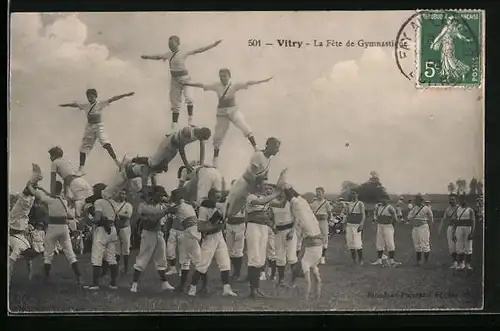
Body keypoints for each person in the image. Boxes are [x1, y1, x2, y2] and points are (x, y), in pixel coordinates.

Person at [182, 69, 273, 166]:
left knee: (244, 127)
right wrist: (187, 84)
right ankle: (215, 160)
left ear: (229, 76)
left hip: (233, 111)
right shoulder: (216, 85)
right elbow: (202, 85)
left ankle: (256, 148)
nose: (222, 78)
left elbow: (249, 83)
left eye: (224, 76)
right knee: (218, 136)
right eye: (220, 76)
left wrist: (263, 80)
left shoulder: (234, 85)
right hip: (222, 113)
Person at [101, 126, 211, 200]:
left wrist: (201, 164)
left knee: (157, 166)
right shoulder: (188, 131)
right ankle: (131, 159)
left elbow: (202, 147)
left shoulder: (200, 136)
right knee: (153, 162)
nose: (201, 139)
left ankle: (133, 161)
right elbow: (181, 149)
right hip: (169, 145)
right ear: (200, 132)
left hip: (174, 149)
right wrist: (186, 164)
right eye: (201, 137)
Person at [141, 36, 223, 130]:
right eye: (169, 44)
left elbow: (199, 50)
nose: (170, 46)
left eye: (172, 43)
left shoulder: (183, 52)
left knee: (189, 98)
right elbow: (157, 57)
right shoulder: (168, 54)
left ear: (177, 43)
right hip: (175, 80)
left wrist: (213, 45)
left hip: (185, 80)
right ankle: (174, 126)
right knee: (174, 103)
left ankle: (190, 121)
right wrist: (146, 57)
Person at [58, 89, 134, 171]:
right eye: (88, 97)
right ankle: (80, 169)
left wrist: (125, 95)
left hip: (99, 127)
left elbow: (113, 98)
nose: (90, 98)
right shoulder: (86, 106)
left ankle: (117, 162)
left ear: (95, 96)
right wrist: (63, 105)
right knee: (83, 148)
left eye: (91, 96)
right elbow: (74, 105)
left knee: (105, 143)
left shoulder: (100, 104)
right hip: (90, 128)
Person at [28, 180, 82, 285]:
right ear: (61, 189)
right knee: (70, 254)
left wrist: (31, 185)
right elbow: (53, 195)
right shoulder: (64, 200)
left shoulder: (50, 200)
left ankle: (46, 278)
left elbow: (36, 193)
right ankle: (79, 276)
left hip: (53, 227)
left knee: (48, 254)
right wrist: (43, 189)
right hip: (64, 228)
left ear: (53, 189)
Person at [187, 188, 237, 297]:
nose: (218, 200)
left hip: (219, 237)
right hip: (210, 238)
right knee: (202, 265)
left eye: (219, 197)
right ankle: (192, 288)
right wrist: (215, 226)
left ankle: (226, 289)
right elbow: (200, 228)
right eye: (216, 197)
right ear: (210, 197)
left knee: (225, 263)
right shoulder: (204, 208)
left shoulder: (218, 206)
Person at [130, 186, 174, 293]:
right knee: (142, 258)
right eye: (158, 195)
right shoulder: (143, 206)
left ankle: (164, 284)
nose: (160, 197)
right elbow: (152, 220)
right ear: (153, 195)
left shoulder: (162, 206)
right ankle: (134, 285)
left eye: (161, 196)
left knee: (161, 259)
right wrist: (166, 211)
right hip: (148, 233)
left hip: (159, 234)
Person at [245, 181, 285, 298]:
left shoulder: (265, 197)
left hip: (263, 227)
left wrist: (284, 191)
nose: (262, 186)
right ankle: (252, 289)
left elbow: (281, 204)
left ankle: (256, 289)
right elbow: (261, 202)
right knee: (254, 257)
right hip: (253, 227)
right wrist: (275, 193)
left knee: (261, 259)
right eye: (260, 184)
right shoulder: (250, 196)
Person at [282, 184, 323, 301]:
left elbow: (311, 281)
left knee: (303, 206)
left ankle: (287, 188)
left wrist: (308, 298)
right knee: (302, 207)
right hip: (313, 234)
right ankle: (287, 188)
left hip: (314, 234)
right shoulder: (309, 263)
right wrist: (314, 297)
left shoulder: (308, 263)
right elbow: (313, 281)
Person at [226, 137, 281, 218]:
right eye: (276, 147)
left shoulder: (269, 160)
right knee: (231, 210)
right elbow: (252, 176)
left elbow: (264, 179)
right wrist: (256, 193)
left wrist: (264, 191)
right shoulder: (258, 155)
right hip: (243, 185)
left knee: (243, 211)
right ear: (269, 146)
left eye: (278, 148)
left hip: (251, 186)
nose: (277, 150)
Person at [9, 167, 42, 284]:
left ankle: (33, 181)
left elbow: (12, 263)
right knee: (26, 202)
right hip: (19, 223)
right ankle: (33, 181)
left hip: (16, 223)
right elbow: (26, 261)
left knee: (24, 202)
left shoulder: (21, 247)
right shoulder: (24, 246)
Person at [169, 189, 203, 293]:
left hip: (190, 233)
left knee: (198, 262)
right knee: (186, 262)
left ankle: (203, 286)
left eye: (173, 197)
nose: (172, 199)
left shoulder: (177, 207)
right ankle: (182, 286)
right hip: (189, 233)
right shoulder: (188, 206)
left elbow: (166, 210)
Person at [48, 146, 92, 218]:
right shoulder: (67, 161)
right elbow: (66, 179)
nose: (50, 158)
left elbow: (53, 180)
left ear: (54, 156)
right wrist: (66, 195)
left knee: (79, 213)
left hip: (75, 184)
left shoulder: (54, 163)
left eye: (50, 156)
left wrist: (52, 195)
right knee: (85, 208)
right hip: (82, 181)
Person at [273, 199, 299, 288]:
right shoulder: (274, 203)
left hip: (289, 230)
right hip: (278, 231)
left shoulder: (290, 203)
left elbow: (297, 218)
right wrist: (273, 225)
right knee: (279, 257)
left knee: (291, 256)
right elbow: (271, 216)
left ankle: (294, 280)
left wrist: (292, 231)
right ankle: (281, 280)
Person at [371, 195, 401, 267]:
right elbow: (377, 216)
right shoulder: (379, 207)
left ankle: (391, 260)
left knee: (390, 243)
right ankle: (379, 260)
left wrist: (391, 226)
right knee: (379, 243)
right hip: (380, 226)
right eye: (382, 199)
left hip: (388, 226)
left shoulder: (390, 208)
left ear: (387, 200)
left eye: (384, 200)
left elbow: (395, 218)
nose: (383, 201)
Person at [407, 193, 434, 266]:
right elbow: (409, 216)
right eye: (415, 200)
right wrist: (412, 221)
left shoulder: (426, 208)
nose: (415, 201)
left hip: (423, 227)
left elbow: (431, 217)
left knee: (425, 244)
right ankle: (418, 262)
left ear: (421, 200)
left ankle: (426, 262)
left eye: (417, 200)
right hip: (415, 228)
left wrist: (430, 226)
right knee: (417, 245)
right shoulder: (414, 208)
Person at [309, 187, 333, 264]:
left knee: (324, 239)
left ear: (323, 193)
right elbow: (310, 214)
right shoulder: (313, 202)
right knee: (315, 239)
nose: (318, 193)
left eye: (319, 192)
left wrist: (327, 221)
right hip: (315, 223)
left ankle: (323, 257)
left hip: (323, 222)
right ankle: (316, 257)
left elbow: (329, 214)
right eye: (317, 192)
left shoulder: (326, 203)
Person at [113, 189, 134, 274]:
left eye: (123, 194)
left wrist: (117, 214)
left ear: (126, 196)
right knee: (116, 249)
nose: (122, 195)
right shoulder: (114, 205)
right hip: (116, 228)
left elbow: (128, 215)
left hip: (125, 228)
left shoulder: (128, 205)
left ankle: (126, 268)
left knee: (126, 248)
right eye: (120, 194)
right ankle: (116, 267)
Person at [452, 195, 475, 270]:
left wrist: (472, 232)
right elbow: (455, 221)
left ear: (466, 201)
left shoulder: (470, 210)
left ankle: (468, 264)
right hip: (459, 228)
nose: (462, 202)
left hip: (468, 228)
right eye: (461, 200)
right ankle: (461, 264)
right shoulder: (457, 210)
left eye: (464, 200)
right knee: (459, 246)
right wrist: (453, 232)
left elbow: (473, 222)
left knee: (468, 246)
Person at [438, 194, 459, 268]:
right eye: (450, 199)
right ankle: (455, 262)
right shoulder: (448, 209)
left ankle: (461, 262)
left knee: (459, 245)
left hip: (458, 227)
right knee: (451, 246)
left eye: (453, 199)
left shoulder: (459, 208)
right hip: (450, 227)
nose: (452, 201)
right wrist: (440, 228)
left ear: (456, 200)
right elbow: (444, 219)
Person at [345, 190, 366, 265]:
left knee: (357, 242)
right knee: (350, 242)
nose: (353, 196)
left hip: (357, 225)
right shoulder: (348, 204)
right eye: (352, 194)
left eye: (354, 194)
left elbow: (363, 214)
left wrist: (361, 224)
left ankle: (360, 260)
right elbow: (347, 215)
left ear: (357, 195)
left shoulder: (360, 203)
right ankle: (354, 260)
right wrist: (345, 224)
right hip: (349, 224)